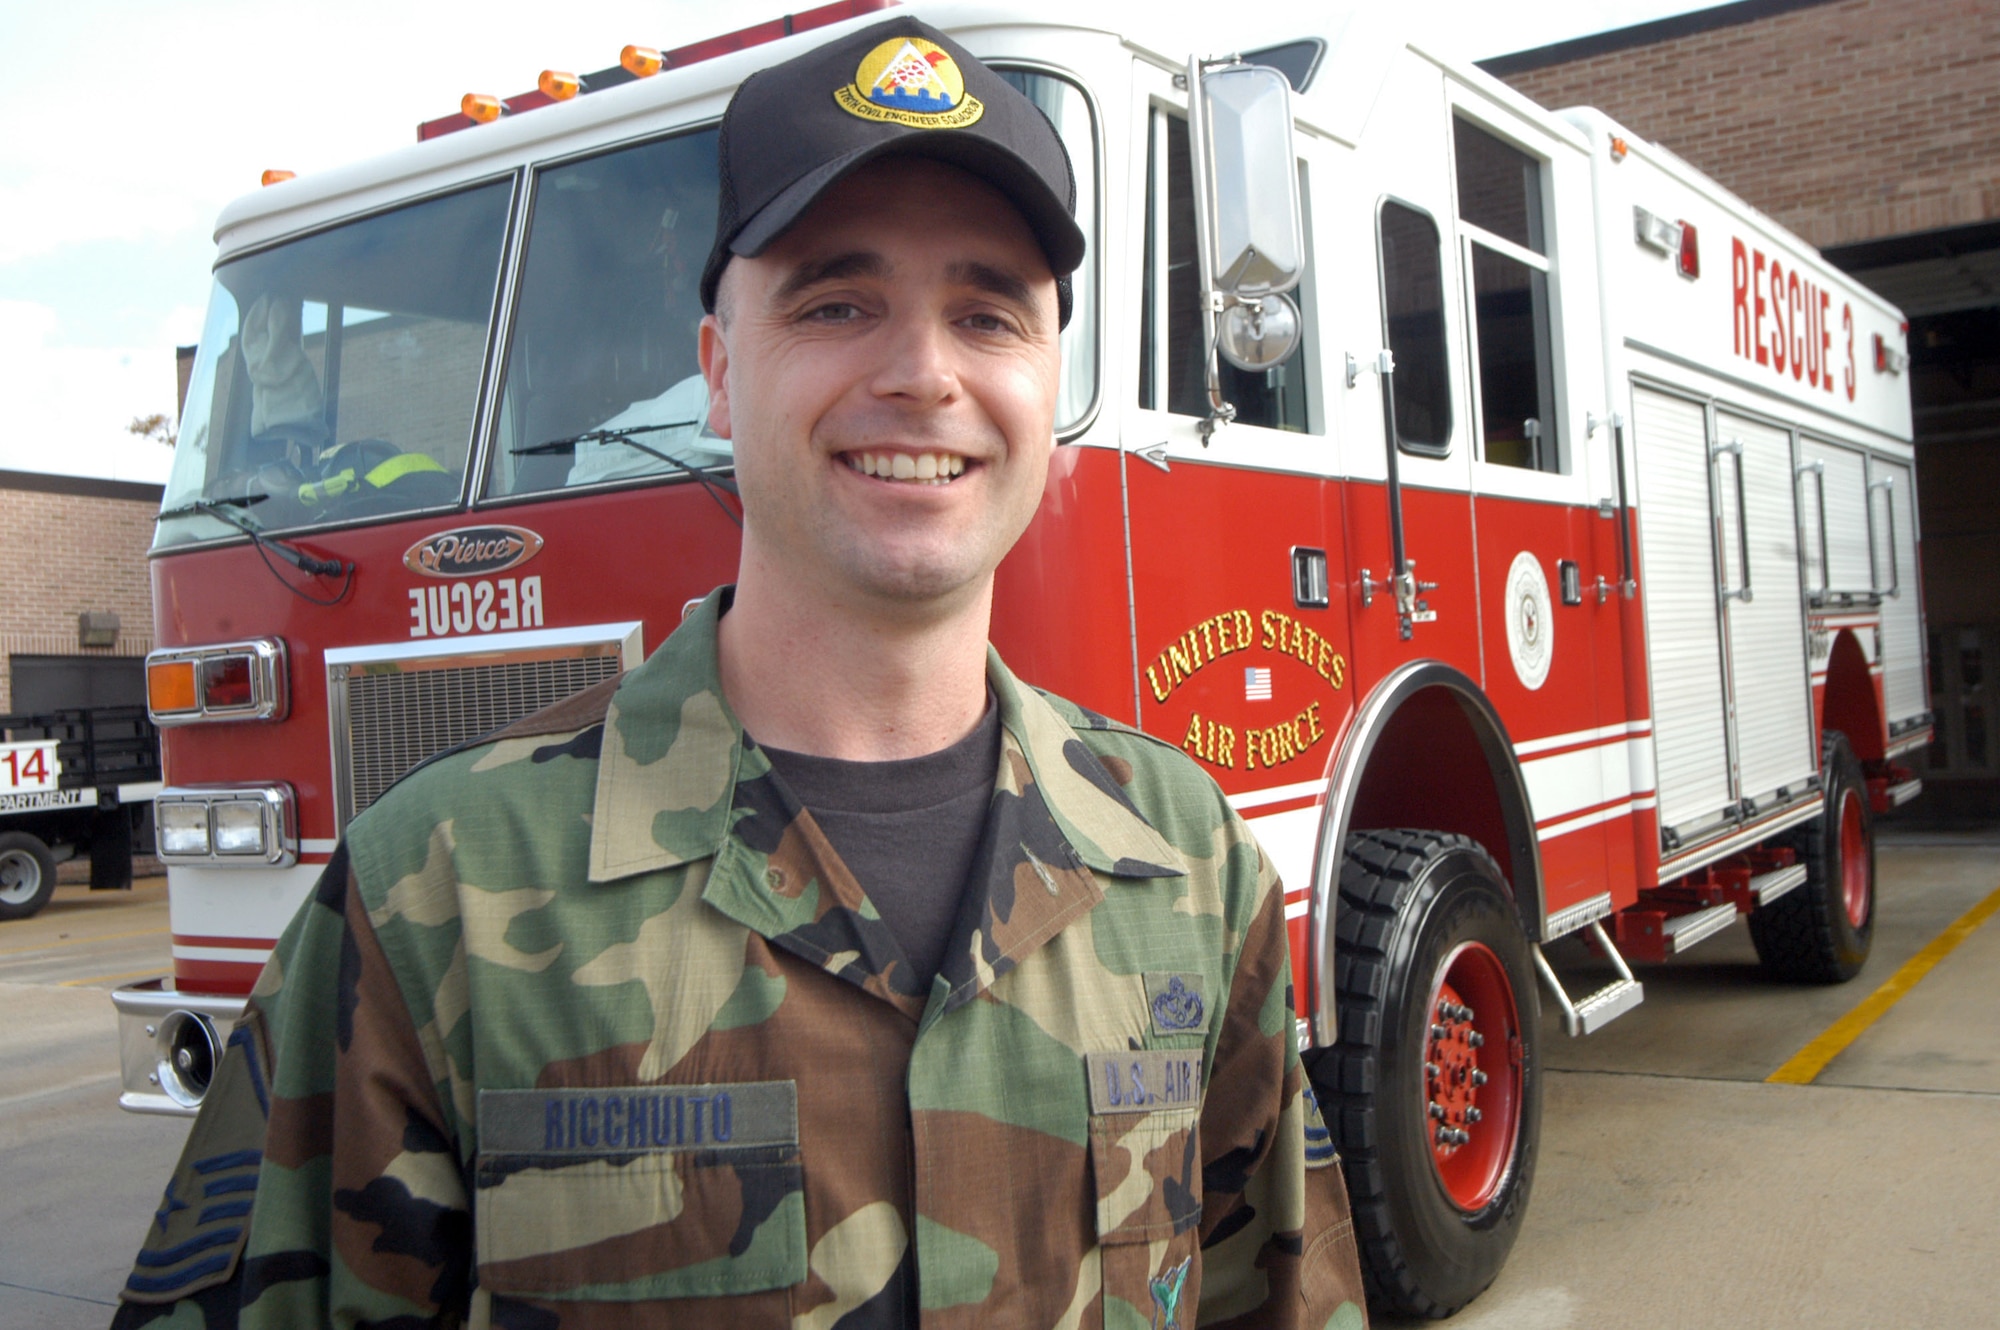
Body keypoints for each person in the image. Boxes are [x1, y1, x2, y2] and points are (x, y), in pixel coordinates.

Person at [113, 17, 1367, 1329]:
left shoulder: (1194, 870)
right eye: (838, 302)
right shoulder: (428, 901)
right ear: (718, 372)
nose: (924, 373)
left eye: (988, 312)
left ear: (1048, 383)